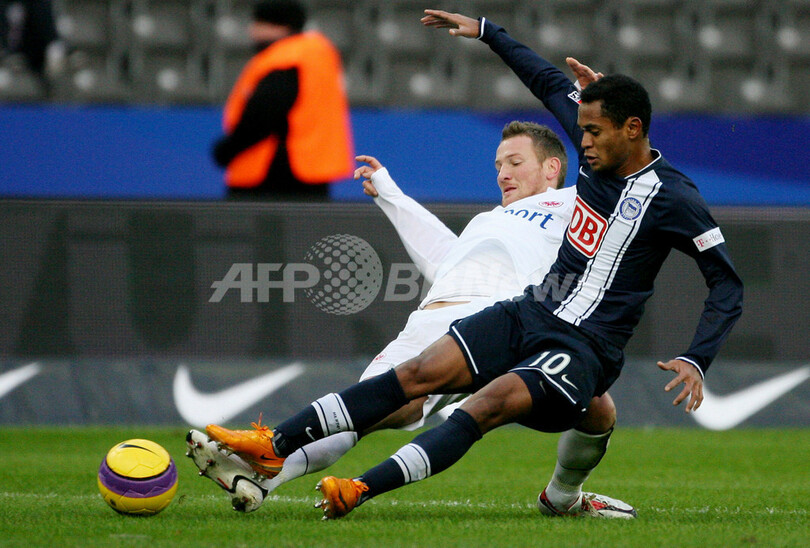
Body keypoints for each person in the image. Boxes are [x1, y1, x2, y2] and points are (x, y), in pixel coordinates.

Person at [200, 10, 743, 520]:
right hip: (529, 313)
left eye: (594, 132)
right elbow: (546, 84)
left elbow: (726, 284)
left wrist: (697, 358)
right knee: (416, 382)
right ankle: (274, 451)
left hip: (584, 343)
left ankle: (366, 488)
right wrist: (487, 30)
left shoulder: (654, 197)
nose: (585, 143)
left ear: (629, 129)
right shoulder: (537, 193)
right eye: (581, 130)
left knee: (489, 406)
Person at [188, 120, 629, 517]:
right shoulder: (489, 220)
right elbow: (443, 255)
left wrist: (586, 103)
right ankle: (264, 478)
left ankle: (563, 495)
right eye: (498, 165)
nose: (502, 173)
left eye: (515, 162)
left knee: (597, 407)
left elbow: (624, 174)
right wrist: (391, 195)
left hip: (502, 326)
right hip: (428, 327)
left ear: (552, 169)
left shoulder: (575, 204)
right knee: (362, 412)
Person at [211, 0, 354, 201]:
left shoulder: (285, 58)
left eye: (258, 23)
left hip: (273, 173)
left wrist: (226, 150)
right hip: (312, 171)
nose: (251, 30)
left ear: (276, 26)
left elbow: (264, 115)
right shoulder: (320, 52)